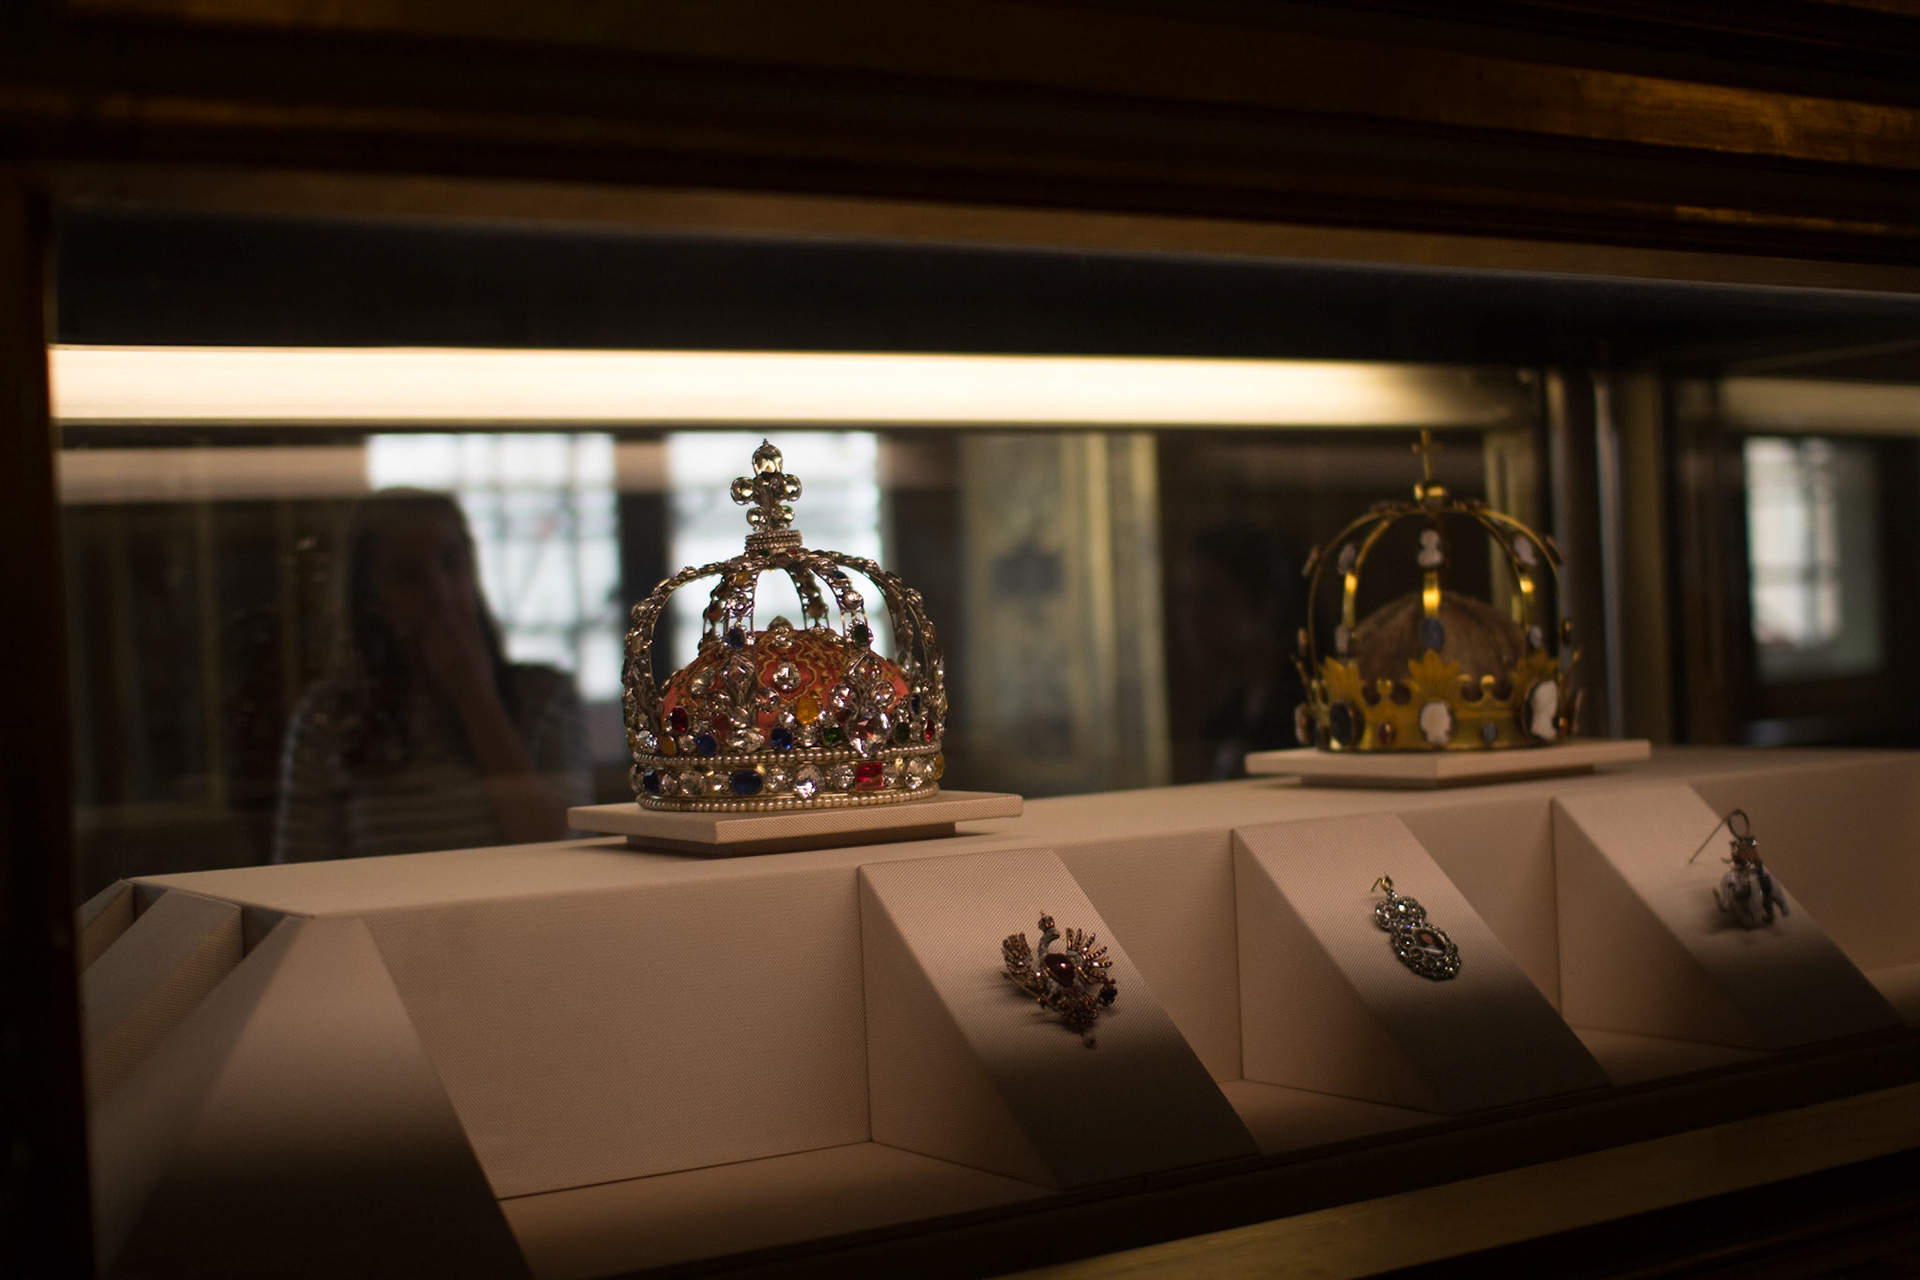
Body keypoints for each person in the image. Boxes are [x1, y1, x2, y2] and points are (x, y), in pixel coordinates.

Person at [274, 489, 588, 862]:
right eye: (408, 576)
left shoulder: (545, 696)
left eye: (451, 563)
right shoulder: (331, 716)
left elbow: (560, 847)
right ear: (372, 597)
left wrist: (475, 698)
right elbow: (299, 872)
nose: (440, 593)